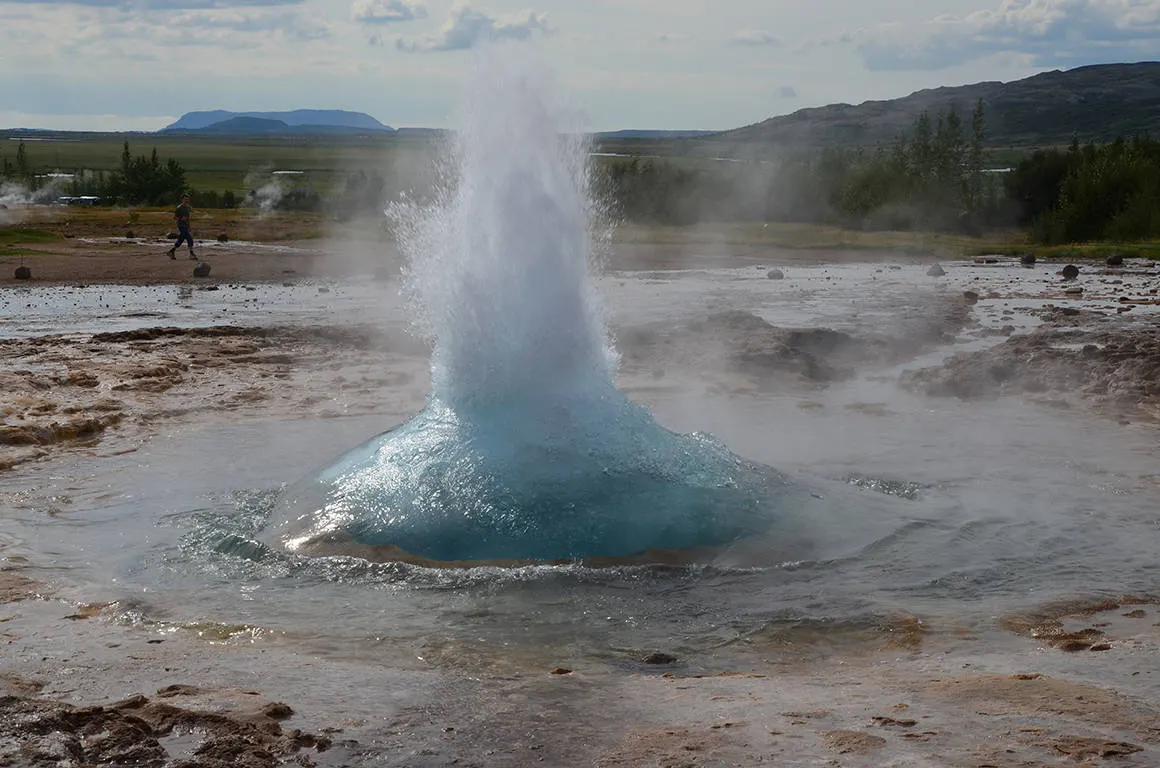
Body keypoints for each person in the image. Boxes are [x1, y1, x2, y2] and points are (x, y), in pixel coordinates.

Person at [167, 194, 197, 260]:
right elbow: (174, 217)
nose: (186, 200)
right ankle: (191, 254)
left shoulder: (188, 207)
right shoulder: (179, 208)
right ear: (182, 200)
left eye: (187, 199)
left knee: (183, 238)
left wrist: (189, 226)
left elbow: (187, 218)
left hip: (186, 226)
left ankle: (171, 251)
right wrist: (181, 218)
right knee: (189, 238)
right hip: (181, 225)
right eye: (185, 199)